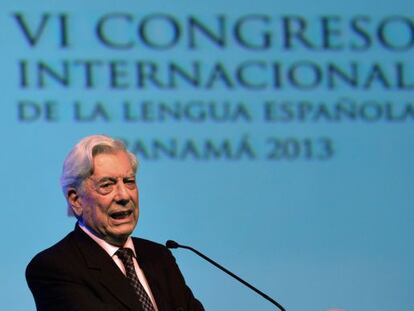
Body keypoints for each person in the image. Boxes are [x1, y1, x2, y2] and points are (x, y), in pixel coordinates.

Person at [26, 135, 204, 311]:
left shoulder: (159, 256)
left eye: (129, 182)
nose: (124, 196)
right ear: (76, 200)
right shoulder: (53, 267)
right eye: (107, 185)